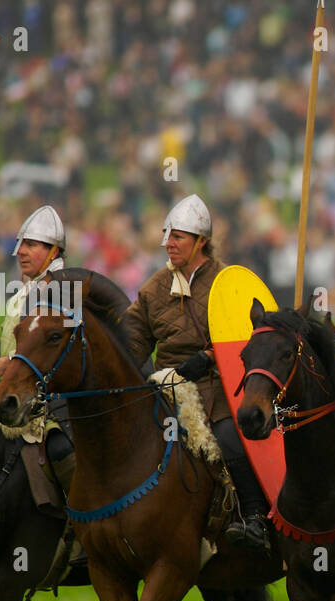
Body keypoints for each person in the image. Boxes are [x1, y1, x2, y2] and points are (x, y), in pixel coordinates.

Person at [117, 193, 270, 552]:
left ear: (201, 241)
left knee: (231, 437)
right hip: (167, 388)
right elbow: (131, 341)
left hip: (219, 388)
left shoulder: (227, 281)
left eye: (178, 237)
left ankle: (255, 520)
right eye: (167, 237)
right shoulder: (154, 288)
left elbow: (248, 340)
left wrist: (209, 357)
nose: (169, 244)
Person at [0, 203, 75, 490]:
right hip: (16, 391)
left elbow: (60, 353)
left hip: (53, 403)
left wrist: (8, 363)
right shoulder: (24, 292)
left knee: (59, 451)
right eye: (20, 244)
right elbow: (11, 349)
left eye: (30, 244)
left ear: (53, 251)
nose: (20, 251)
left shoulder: (64, 291)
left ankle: (78, 523)